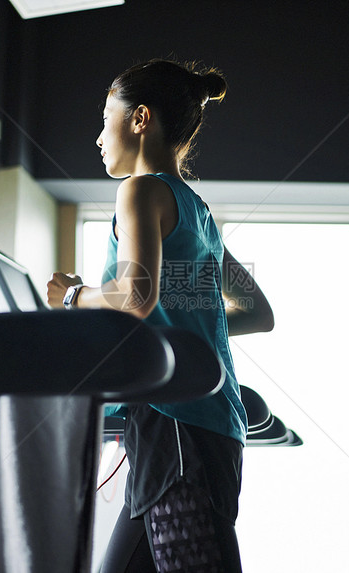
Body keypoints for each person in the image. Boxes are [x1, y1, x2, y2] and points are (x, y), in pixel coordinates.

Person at [47, 59, 274, 573]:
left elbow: (136, 295)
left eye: (106, 118)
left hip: (177, 426)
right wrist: (181, 332)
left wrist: (72, 295)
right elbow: (256, 312)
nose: (99, 137)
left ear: (140, 118)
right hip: (201, 423)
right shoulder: (197, 210)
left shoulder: (140, 190)